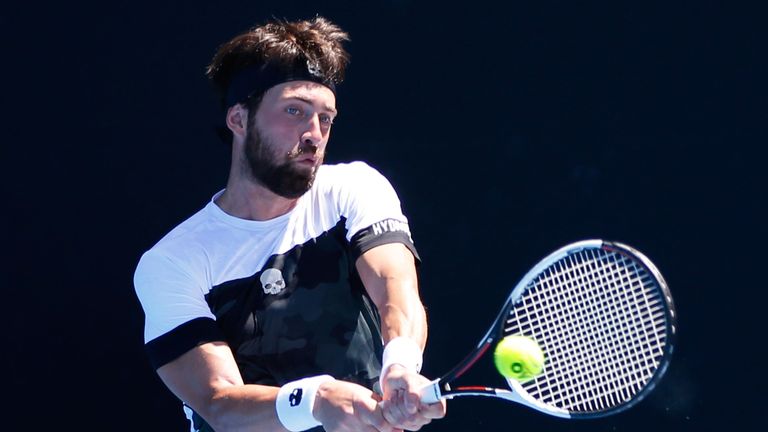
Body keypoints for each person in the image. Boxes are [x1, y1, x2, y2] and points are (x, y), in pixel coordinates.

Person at [134, 16, 446, 432]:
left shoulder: (354, 188)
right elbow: (219, 402)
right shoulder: (173, 262)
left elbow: (395, 287)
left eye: (326, 119)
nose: (314, 134)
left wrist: (402, 364)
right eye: (295, 111)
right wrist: (316, 400)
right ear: (239, 120)